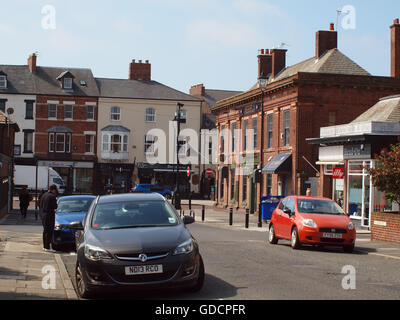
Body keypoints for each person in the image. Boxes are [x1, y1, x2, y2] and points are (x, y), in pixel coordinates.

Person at [40, 185, 58, 253]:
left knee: (45, 231)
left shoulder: (44, 195)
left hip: (44, 214)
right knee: (49, 231)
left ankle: (45, 246)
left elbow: (41, 204)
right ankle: (48, 247)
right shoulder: (52, 196)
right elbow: (55, 206)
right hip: (50, 215)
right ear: (53, 190)